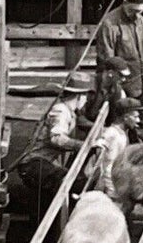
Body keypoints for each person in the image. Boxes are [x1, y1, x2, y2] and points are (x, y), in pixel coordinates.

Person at [7, 73, 93, 223]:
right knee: (72, 181)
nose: (86, 101)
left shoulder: (68, 112)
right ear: (80, 96)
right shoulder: (60, 111)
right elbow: (56, 138)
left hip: (40, 163)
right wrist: (84, 145)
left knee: (44, 204)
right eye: (85, 96)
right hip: (34, 164)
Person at [97, 0, 143, 98]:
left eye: (140, 11)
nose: (137, 15)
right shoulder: (109, 23)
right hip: (123, 87)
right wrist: (116, 89)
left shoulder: (141, 20)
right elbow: (107, 59)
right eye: (133, 10)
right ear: (125, 2)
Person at [87, 55, 134, 123]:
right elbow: (79, 117)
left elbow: (115, 118)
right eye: (121, 75)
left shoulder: (118, 91)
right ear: (110, 73)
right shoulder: (89, 84)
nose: (124, 80)